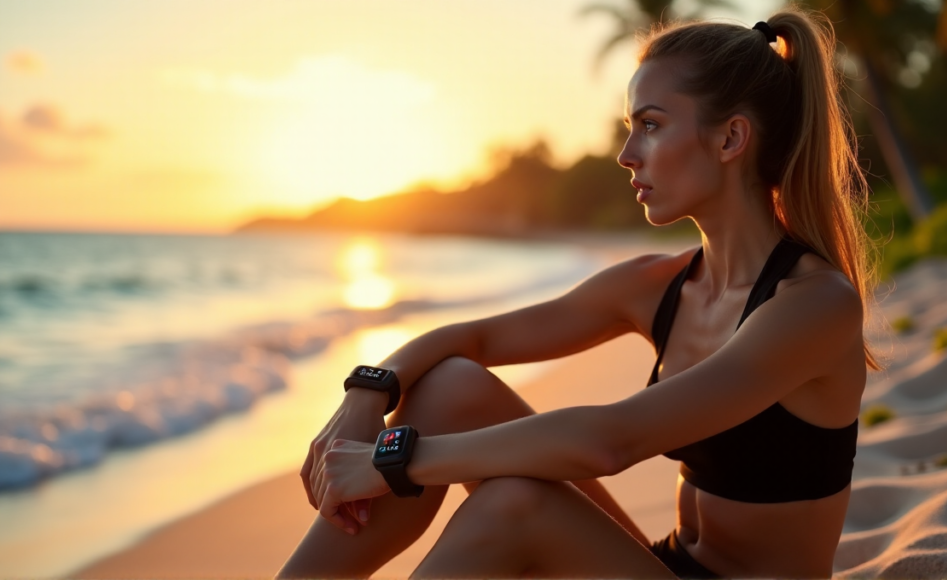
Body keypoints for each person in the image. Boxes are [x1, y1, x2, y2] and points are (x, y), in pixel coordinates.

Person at [277, 5, 882, 579]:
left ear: (729, 140)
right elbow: (474, 337)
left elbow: (609, 441)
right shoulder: (659, 283)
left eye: (650, 125)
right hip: (665, 565)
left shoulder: (814, 304)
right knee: (452, 384)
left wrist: (391, 462)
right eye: (630, 129)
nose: (625, 155)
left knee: (514, 504)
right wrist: (367, 393)